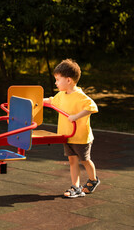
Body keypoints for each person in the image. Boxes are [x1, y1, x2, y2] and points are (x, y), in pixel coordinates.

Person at [43, 59, 100, 198]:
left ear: (68, 80)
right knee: (72, 161)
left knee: (85, 160)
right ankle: (76, 187)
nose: (55, 82)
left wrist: (76, 116)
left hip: (81, 136)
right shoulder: (61, 95)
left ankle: (93, 180)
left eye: (57, 79)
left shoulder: (80, 96)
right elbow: (51, 101)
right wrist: (36, 100)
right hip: (67, 135)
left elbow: (93, 107)